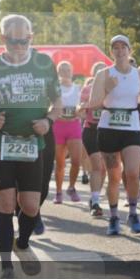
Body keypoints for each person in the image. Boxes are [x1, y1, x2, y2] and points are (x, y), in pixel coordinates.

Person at [0, 14, 62, 279]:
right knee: (6, 203)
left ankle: (22, 244)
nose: (19, 45)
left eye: (24, 40)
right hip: (1, 142)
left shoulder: (43, 64)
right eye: (13, 40)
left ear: (31, 38)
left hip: (33, 142)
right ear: (3, 38)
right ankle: (6, 267)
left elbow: (57, 103)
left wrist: (48, 120)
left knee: (30, 206)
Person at [91, 35, 140, 235]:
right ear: (111, 52)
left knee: (132, 173)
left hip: (131, 127)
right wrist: (107, 89)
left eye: (123, 47)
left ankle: (133, 213)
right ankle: (114, 217)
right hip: (108, 127)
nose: (120, 51)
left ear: (129, 50)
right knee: (114, 176)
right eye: (115, 47)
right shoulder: (103, 74)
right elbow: (94, 102)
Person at [78, 61, 108, 216]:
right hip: (91, 130)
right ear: (93, 74)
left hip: (108, 131)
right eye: (98, 71)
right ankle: (95, 202)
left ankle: (94, 196)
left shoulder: (112, 89)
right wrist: (84, 107)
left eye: (104, 71)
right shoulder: (87, 89)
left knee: (103, 169)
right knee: (97, 165)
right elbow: (80, 110)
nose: (101, 73)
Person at [53, 61, 83, 204]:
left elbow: (81, 108)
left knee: (76, 161)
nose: (65, 72)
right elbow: (49, 107)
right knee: (60, 163)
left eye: (68, 69)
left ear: (72, 71)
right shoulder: (55, 88)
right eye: (62, 70)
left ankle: (71, 187)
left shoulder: (78, 88)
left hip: (73, 126)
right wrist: (55, 113)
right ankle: (58, 192)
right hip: (58, 126)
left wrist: (79, 111)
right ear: (58, 72)